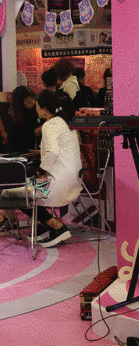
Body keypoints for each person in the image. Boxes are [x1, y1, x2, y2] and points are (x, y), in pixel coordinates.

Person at [0, 90, 82, 247]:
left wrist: (40, 172)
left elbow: (52, 153)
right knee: (25, 189)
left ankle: (56, 226)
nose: (35, 109)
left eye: (36, 106)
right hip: (72, 181)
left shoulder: (49, 125)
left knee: (11, 193)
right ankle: (48, 224)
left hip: (55, 183)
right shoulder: (64, 123)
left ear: (44, 109)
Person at [6, 85, 39, 155]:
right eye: (29, 102)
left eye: (34, 100)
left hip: (29, 149)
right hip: (19, 152)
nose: (33, 103)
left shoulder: (32, 111)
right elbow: (30, 134)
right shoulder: (15, 118)